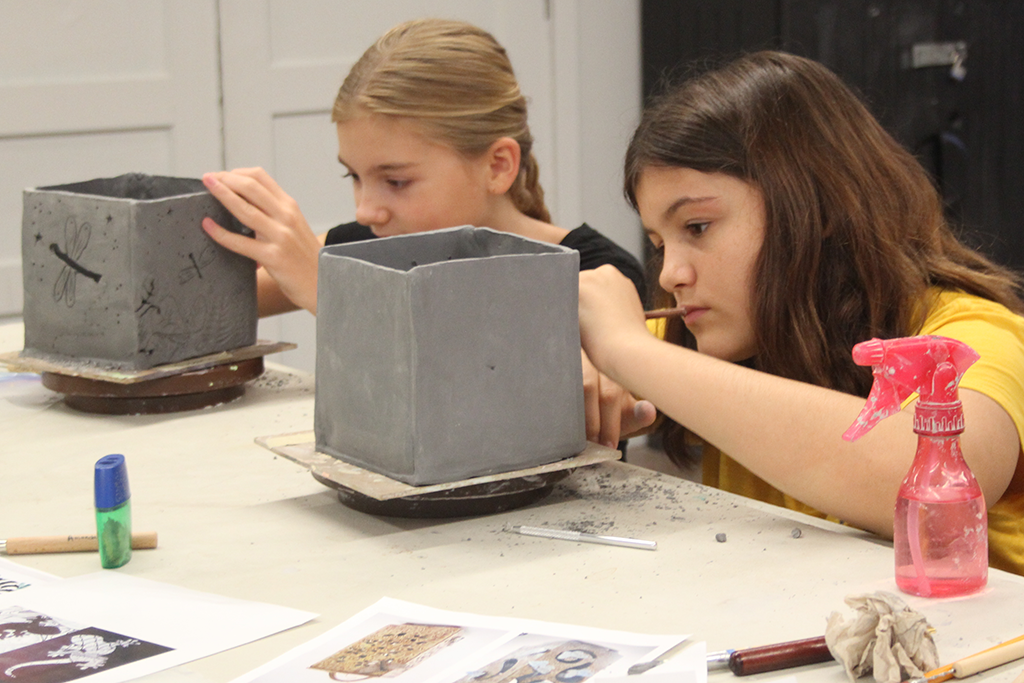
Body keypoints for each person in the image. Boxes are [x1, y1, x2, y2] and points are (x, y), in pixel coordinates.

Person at [577, 50, 1024, 574]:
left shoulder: (970, 333)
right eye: (659, 244)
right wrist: (577, 371)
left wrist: (625, 349)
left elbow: (930, 480)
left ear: (817, 205)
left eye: (697, 227)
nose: (671, 273)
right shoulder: (728, 335)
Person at [199, 18, 656, 447]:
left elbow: (482, 406)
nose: (366, 210)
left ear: (498, 166)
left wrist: (332, 296)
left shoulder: (596, 275)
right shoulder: (366, 244)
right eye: (353, 176)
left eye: (396, 181)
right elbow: (209, 309)